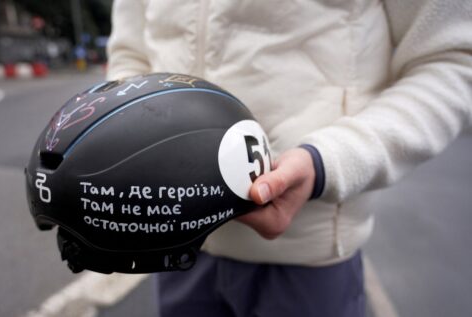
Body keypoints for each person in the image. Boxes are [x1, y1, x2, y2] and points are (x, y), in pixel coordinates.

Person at [106, 1, 472, 316]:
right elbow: (131, 52)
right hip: (172, 244)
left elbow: (453, 60)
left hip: (306, 263)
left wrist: (328, 160)